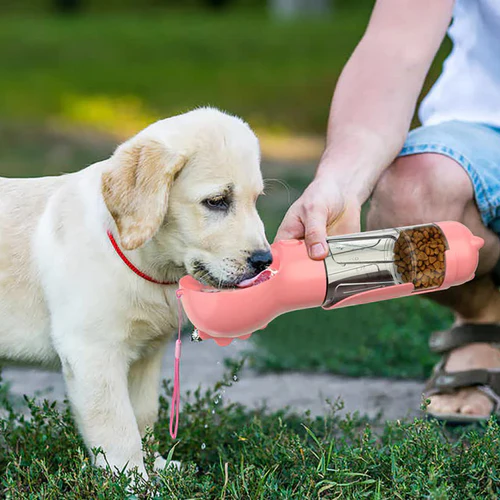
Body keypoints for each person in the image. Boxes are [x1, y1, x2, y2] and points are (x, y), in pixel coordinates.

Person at [276, 0, 500, 422]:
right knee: (413, 199)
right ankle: (485, 317)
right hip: (485, 124)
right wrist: (340, 181)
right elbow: (394, 47)